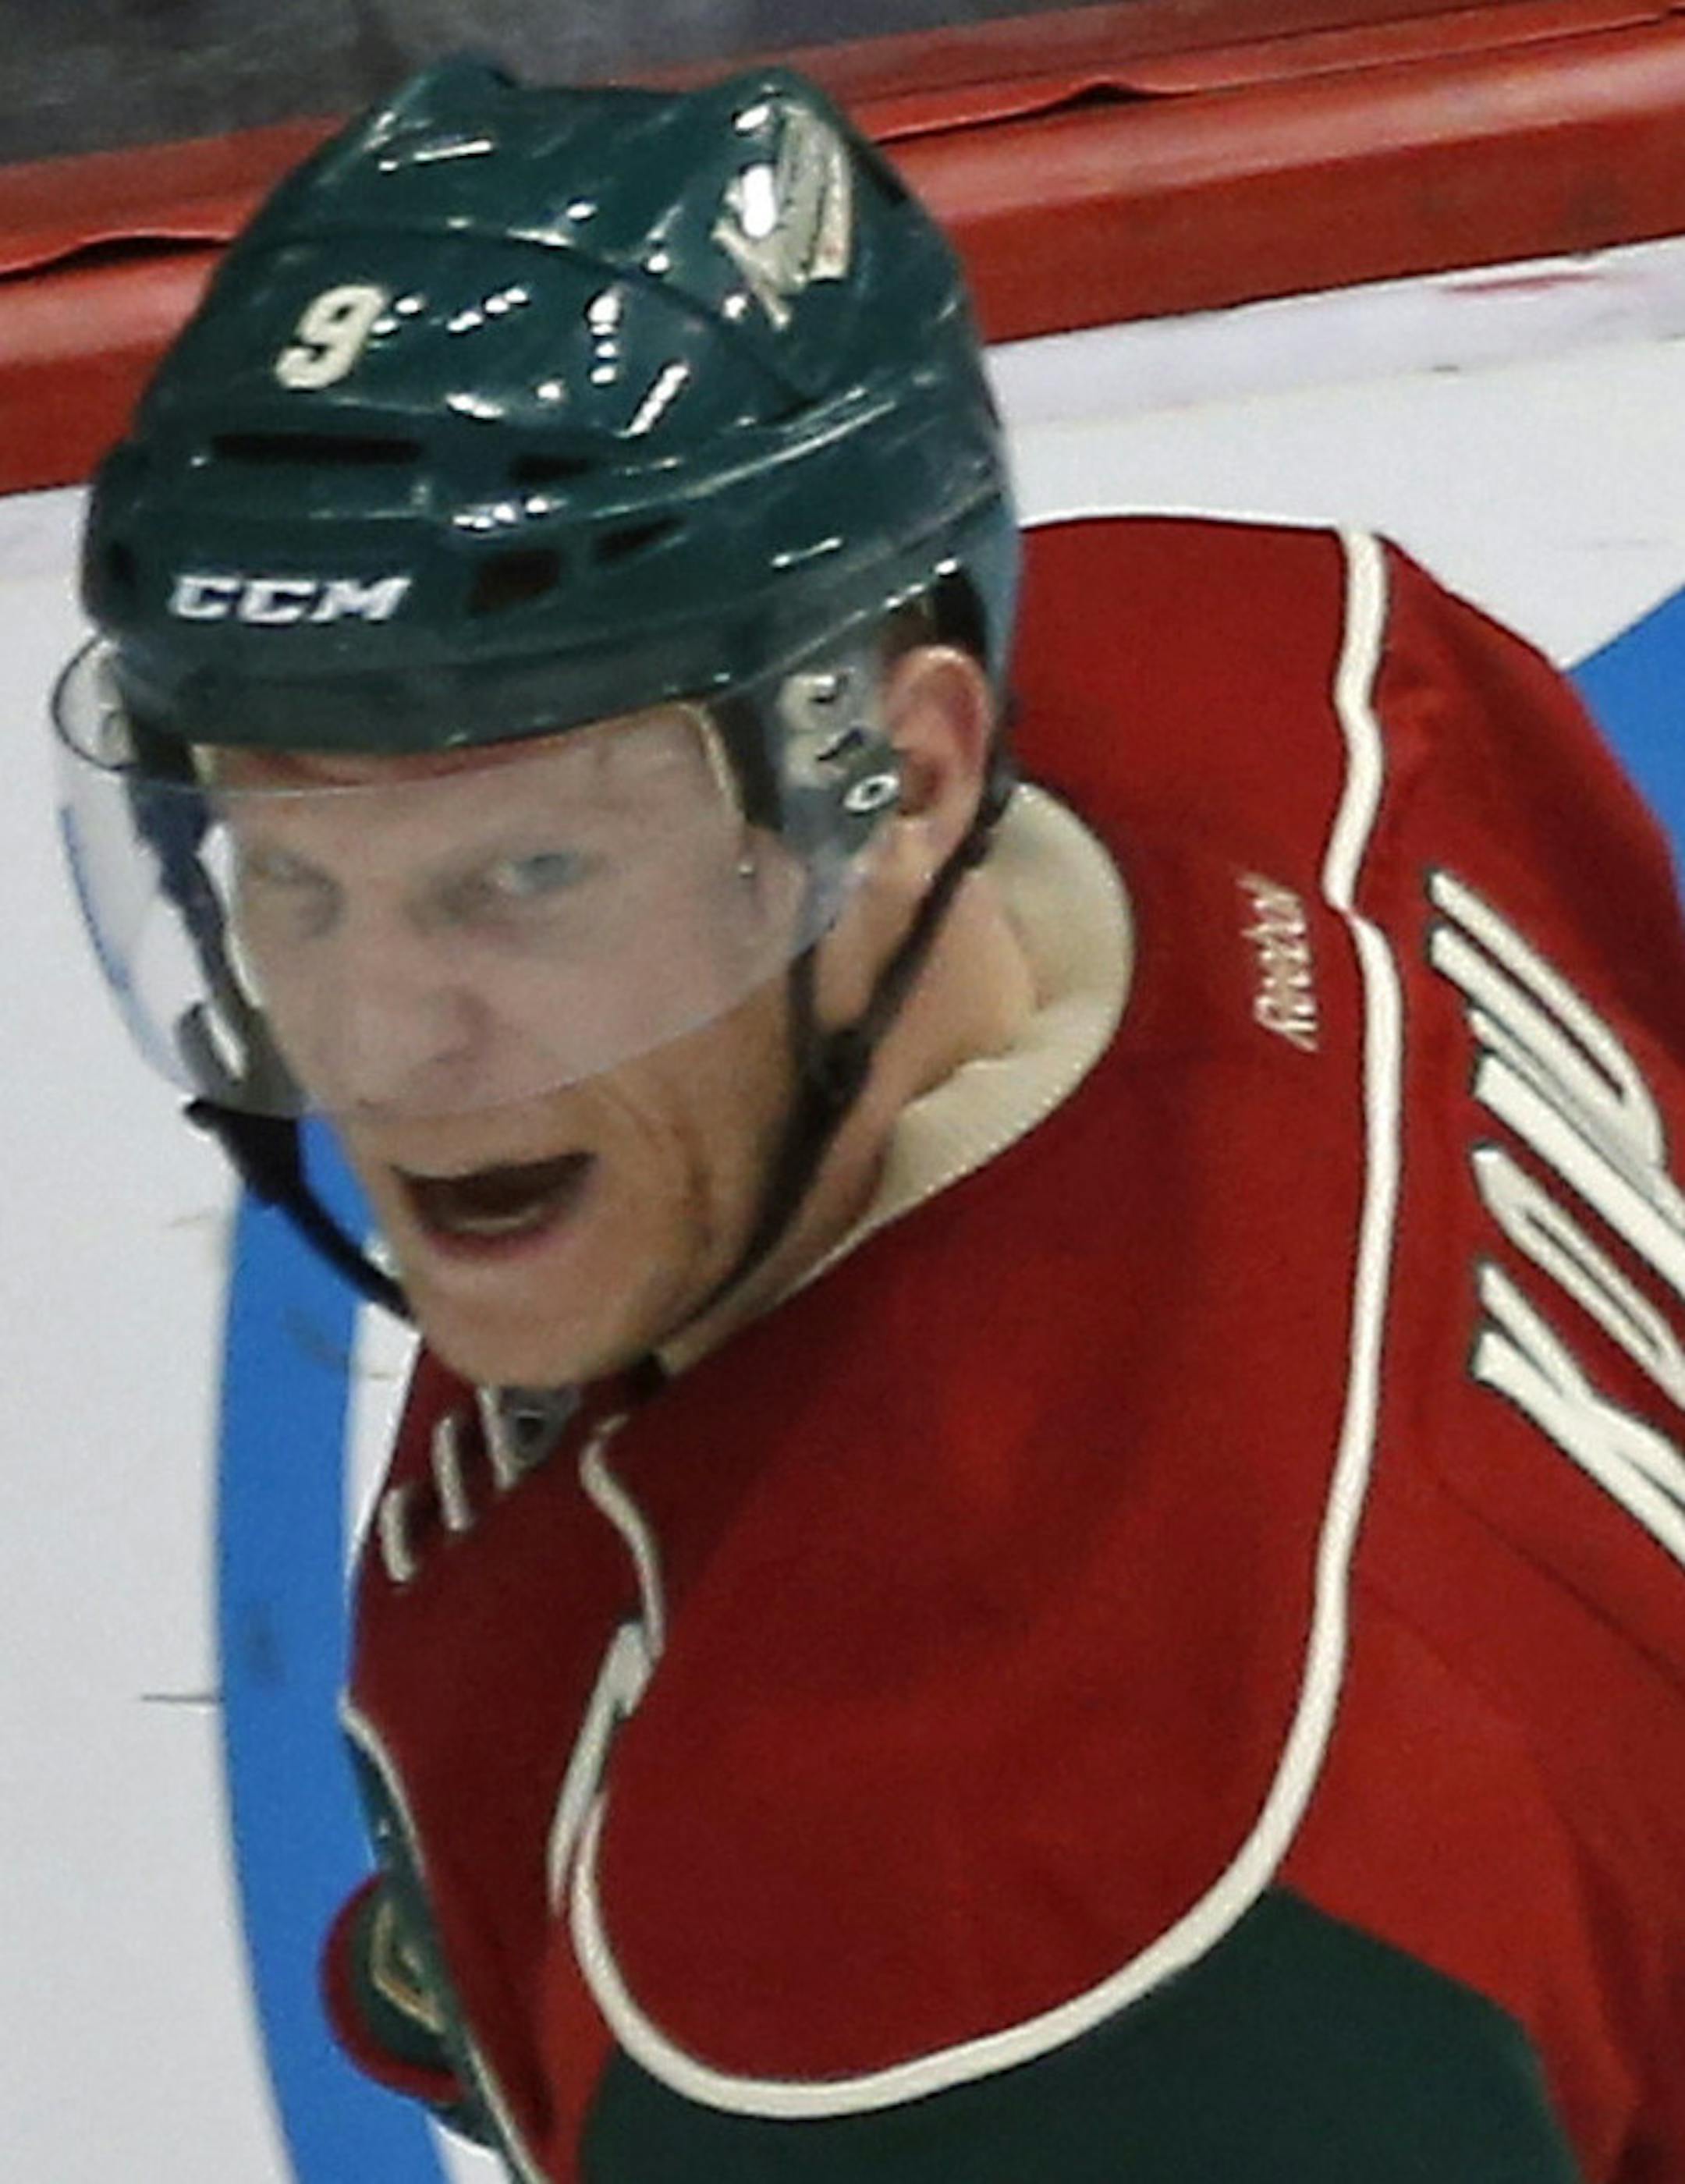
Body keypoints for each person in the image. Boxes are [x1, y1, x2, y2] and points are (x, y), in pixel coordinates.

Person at [51, 52, 1685, 2184]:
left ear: (904, 782)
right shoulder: (1270, 660)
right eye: (290, 874)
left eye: (524, 872)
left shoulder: (996, 1948)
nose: (382, 1041)